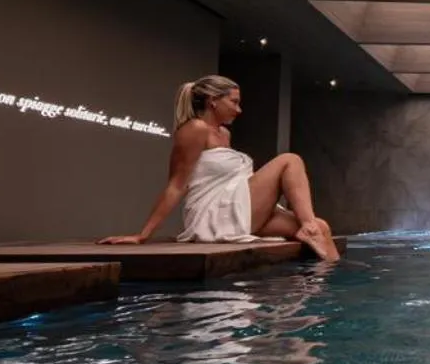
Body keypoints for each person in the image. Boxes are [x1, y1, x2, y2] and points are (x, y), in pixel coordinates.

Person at [101, 75, 340, 260]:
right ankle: (309, 229)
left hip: (237, 207)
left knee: (322, 226)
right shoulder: (194, 129)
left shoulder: (224, 134)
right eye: (234, 102)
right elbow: (176, 185)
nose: (239, 110)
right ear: (212, 101)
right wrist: (142, 235)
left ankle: (324, 291)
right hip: (215, 214)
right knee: (290, 160)